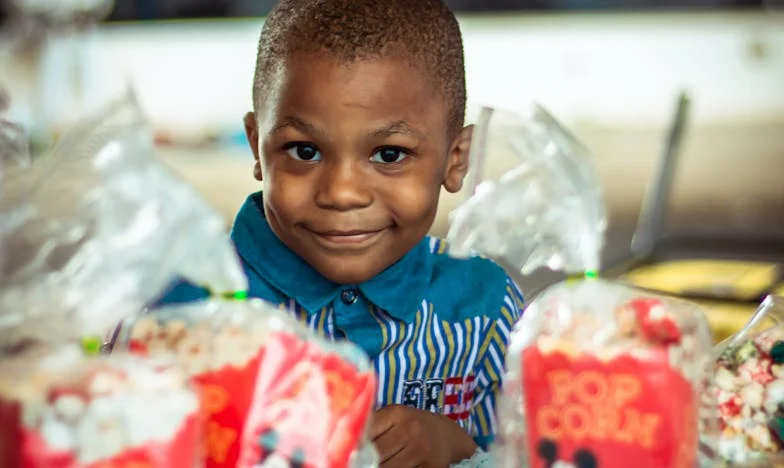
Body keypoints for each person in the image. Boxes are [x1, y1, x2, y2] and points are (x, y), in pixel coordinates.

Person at [156, 0, 525, 465]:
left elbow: (533, 450)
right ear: (257, 145)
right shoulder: (188, 309)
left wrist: (456, 445)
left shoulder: (484, 308)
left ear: (455, 160)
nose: (342, 193)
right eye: (304, 151)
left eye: (389, 155)